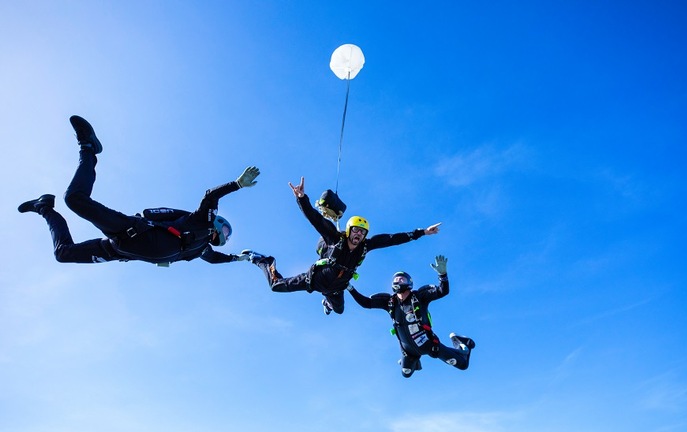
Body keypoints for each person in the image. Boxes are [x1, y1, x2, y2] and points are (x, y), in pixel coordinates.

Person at [18, 115, 259, 266]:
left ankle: (43, 207)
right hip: (131, 231)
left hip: (115, 249)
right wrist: (237, 184)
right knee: (74, 199)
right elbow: (210, 196)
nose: (225, 233)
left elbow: (215, 259)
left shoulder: (199, 250)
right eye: (226, 228)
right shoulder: (201, 224)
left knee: (63, 254)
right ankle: (88, 147)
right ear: (217, 223)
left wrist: (240, 258)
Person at [240, 176, 441, 314]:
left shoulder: (365, 247)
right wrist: (302, 199)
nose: (359, 235)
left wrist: (422, 232)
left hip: (336, 289)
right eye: (356, 230)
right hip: (314, 280)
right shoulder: (335, 238)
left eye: (362, 233)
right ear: (349, 230)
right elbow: (315, 220)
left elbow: (392, 239)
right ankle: (263, 260)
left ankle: (327, 302)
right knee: (276, 286)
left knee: (339, 311)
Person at [347, 255, 475, 378]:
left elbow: (443, 291)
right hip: (409, 352)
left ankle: (463, 343)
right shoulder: (389, 302)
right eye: (395, 279)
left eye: (401, 279)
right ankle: (413, 363)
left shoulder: (420, 296)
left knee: (463, 365)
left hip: (430, 346)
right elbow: (366, 303)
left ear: (409, 283)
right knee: (406, 374)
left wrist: (443, 276)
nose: (398, 281)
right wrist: (350, 288)